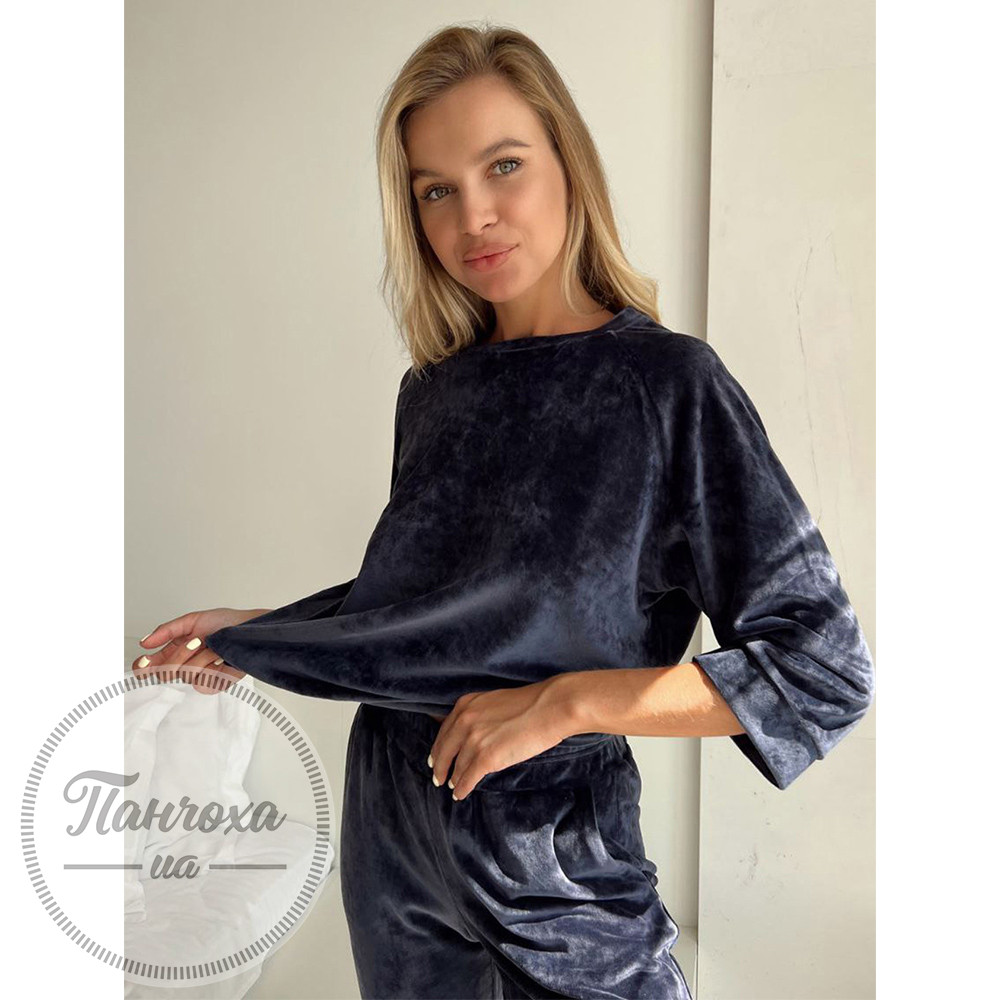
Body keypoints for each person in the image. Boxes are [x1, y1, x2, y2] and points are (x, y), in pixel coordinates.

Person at [132, 23, 874, 1000]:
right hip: (392, 844)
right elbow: (449, 608)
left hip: (549, 867)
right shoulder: (433, 390)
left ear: (568, 162)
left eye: (504, 166)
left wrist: (567, 702)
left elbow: (820, 671)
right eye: (434, 190)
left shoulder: (667, 389)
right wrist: (265, 634)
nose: (473, 215)